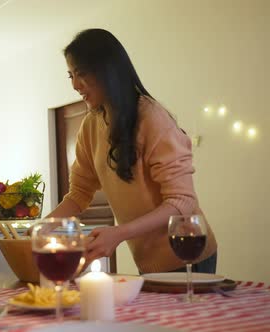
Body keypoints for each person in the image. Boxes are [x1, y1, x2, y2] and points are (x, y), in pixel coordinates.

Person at [48, 28, 217, 274]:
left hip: (188, 253)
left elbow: (182, 201)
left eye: (81, 74)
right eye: (71, 75)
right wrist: (43, 228)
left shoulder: (151, 117)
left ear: (107, 71)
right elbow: (79, 194)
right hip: (149, 263)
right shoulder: (91, 125)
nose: (75, 85)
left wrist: (117, 234)